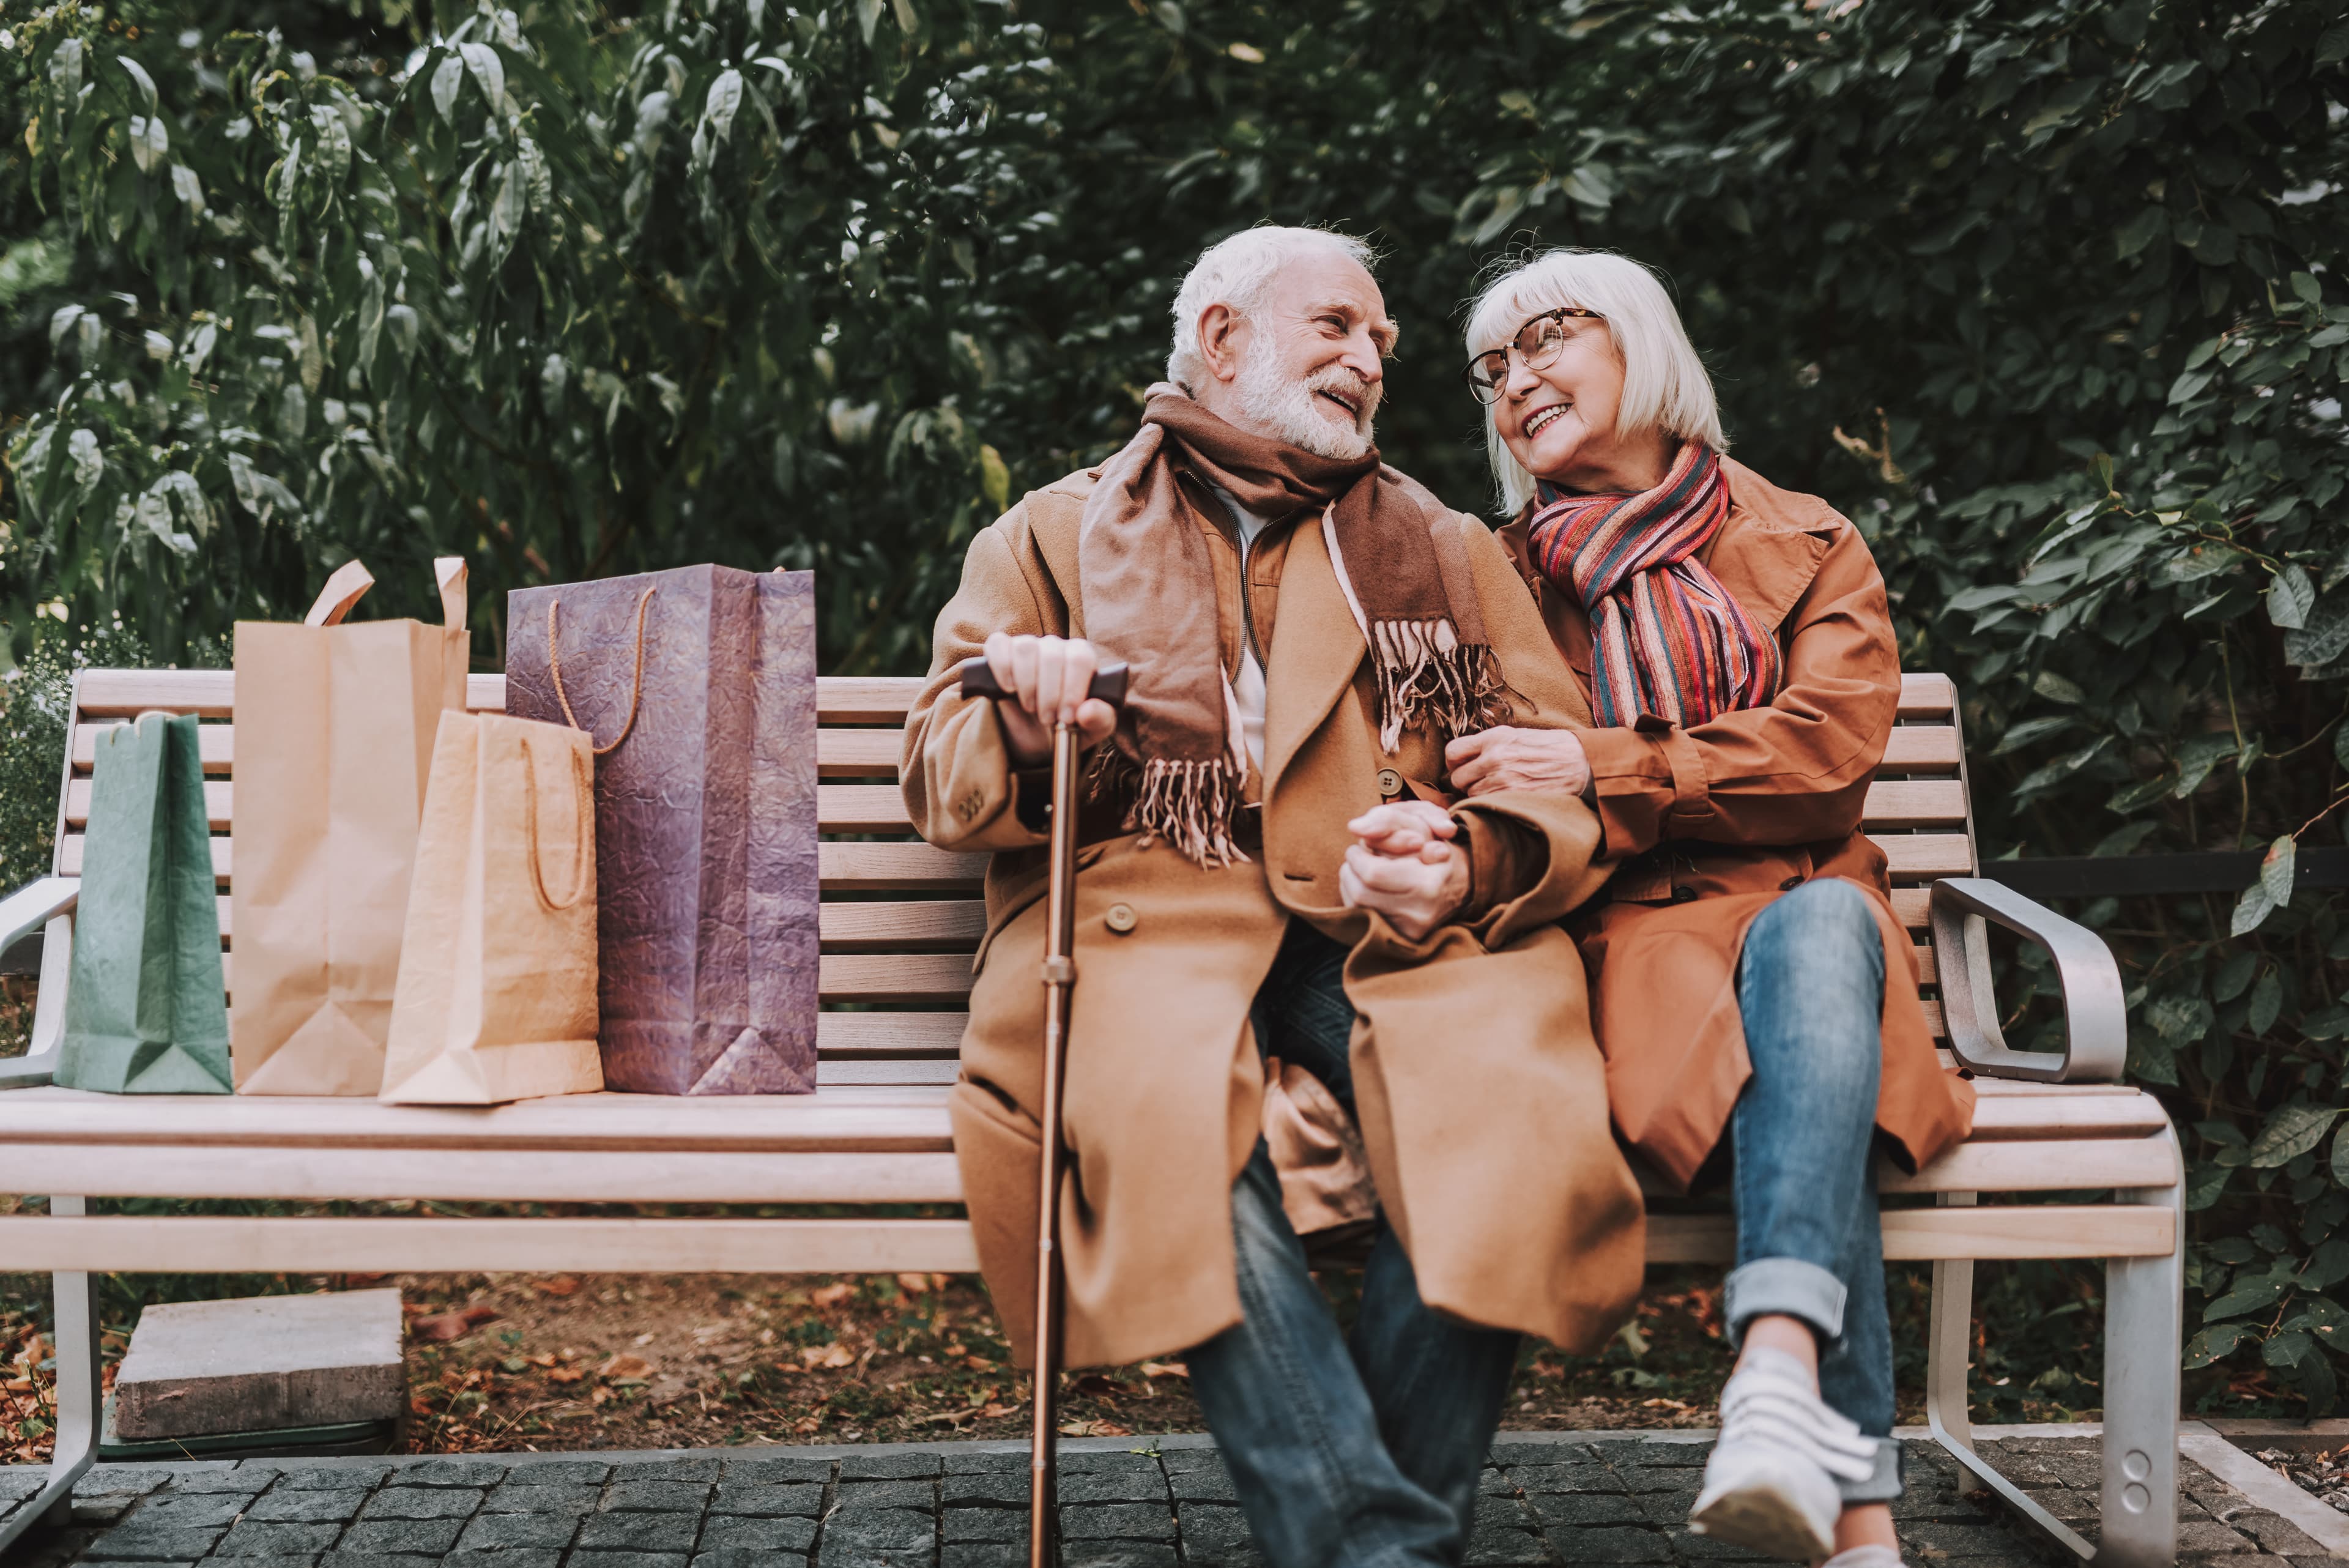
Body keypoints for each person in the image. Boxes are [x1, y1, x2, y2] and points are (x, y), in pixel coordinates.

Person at [900, 226, 1646, 1568]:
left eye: (1381, 344)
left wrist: (1467, 853)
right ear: (1226, 338)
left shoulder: (1442, 545)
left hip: (1387, 923)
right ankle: (1381, 1550)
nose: (1370, 361)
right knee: (1166, 1124)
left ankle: (1366, 1545)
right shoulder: (1053, 533)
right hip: (1135, 927)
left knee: (1505, 1109)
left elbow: (1553, 768)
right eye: (1339, 329)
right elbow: (940, 776)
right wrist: (1021, 720)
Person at [1380, 248, 1975, 1567]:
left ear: (1643, 343)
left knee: (1817, 939)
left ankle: (1772, 1370)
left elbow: (1826, 759)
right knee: (1818, 1063)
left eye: (1544, 342)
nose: (1513, 382)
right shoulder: (1483, 576)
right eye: (1491, 370)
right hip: (1629, 948)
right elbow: (1471, 780)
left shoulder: (1810, 537)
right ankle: (1847, 1500)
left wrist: (1608, 765)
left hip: (1811, 914)